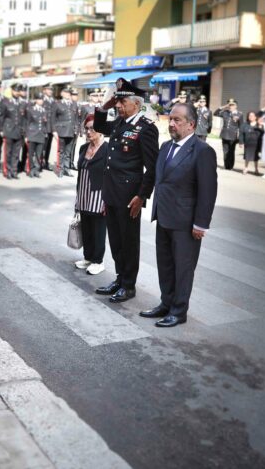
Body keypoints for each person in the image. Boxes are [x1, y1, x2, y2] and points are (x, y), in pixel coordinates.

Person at [140, 103, 217, 328]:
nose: (171, 124)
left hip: (185, 223)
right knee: (165, 265)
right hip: (164, 217)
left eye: (177, 120)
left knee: (183, 268)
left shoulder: (202, 151)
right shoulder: (165, 147)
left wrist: (201, 224)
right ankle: (166, 303)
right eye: (170, 119)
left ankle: (178, 310)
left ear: (191, 124)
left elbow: (208, 190)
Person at [92, 79, 159, 303]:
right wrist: (104, 106)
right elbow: (100, 126)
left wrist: (142, 196)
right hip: (111, 193)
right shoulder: (120, 123)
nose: (118, 106)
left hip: (130, 197)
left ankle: (128, 286)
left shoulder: (146, 128)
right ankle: (120, 278)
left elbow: (152, 167)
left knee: (129, 242)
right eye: (118, 101)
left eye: (122, 101)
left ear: (136, 103)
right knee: (116, 240)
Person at [74, 114, 108, 276]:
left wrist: (107, 200)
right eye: (86, 128)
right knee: (86, 228)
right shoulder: (83, 148)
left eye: (92, 128)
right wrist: (77, 198)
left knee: (98, 229)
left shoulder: (108, 149)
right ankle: (88, 257)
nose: (88, 132)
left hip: (99, 196)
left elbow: (111, 177)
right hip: (83, 195)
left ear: (100, 130)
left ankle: (98, 261)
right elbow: (80, 174)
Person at [53, 88, 79, 177]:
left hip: (71, 131)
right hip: (61, 131)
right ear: (62, 94)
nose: (68, 94)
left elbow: (76, 119)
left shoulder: (74, 104)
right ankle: (60, 169)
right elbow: (53, 118)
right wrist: (54, 131)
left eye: (69, 93)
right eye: (66, 93)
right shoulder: (57, 104)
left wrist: (76, 129)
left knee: (68, 152)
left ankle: (66, 169)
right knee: (61, 151)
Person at [0, 86, 24, 179]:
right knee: (8, 153)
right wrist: (1, 130)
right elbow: (1, 117)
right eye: (15, 90)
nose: (17, 92)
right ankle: (7, 171)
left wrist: (23, 130)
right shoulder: (6, 103)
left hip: (18, 132)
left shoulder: (21, 103)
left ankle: (14, 171)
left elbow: (24, 119)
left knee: (16, 153)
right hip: (9, 130)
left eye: (18, 91)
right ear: (12, 91)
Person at [214, 98, 243, 170]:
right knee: (225, 151)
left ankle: (231, 166)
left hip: (233, 135)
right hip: (224, 134)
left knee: (231, 151)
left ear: (236, 106)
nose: (231, 106)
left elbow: (241, 126)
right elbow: (215, 113)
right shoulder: (225, 112)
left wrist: (240, 138)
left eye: (232, 105)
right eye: (230, 105)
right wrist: (224, 106)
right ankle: (226, 166)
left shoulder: (239, 114)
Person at [26, 92, 49, 177]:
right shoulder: (31, 109)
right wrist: (26, 135)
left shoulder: (44, 111)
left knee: (39, 154)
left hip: (41, 135)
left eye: (42, 99)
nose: (41, 101)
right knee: (31, 153)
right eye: (39, 99)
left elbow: (45, 124)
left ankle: (36, 169)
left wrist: (45, 133)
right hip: (32, 134)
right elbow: (27, 123)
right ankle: (31, 169)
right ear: (36, 100)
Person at [239, 111, 262, 176]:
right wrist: (241, 142)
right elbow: (241, 134)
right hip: (248, 143)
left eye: (252, 116)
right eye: (249, 116)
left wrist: (260, 126)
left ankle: (256, 169)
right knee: (247, 156)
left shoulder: (259, 124)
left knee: (256, 157)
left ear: (255, 117)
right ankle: (246, 168)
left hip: (256, 143)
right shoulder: (244, 124)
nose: (251, 117)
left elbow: (262, 133)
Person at [42, 85, 55, 170]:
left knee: (48, 146)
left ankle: (46, 162)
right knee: (42, 146)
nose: (50, 91)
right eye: (48, 89)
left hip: (51, 128)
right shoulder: (41, 100)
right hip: (43, 127)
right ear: (44, 90)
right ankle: (39, 163)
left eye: (51, 90)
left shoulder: (53, 101)